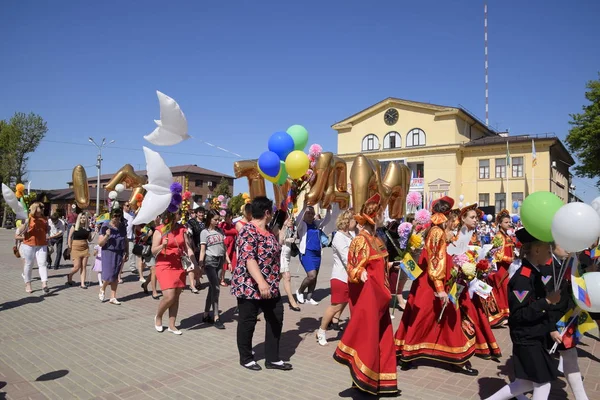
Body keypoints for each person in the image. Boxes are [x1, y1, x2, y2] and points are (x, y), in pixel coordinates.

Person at [395, 196, 478, 375]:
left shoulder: (437, 231)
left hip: (434, 282)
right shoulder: (436, 232)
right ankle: (411, 354)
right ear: (446, 215)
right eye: (452, 216)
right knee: (424, 317)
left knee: (429, 317)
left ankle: (411, 353)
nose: (454, 221)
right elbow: (435, 262)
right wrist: (440, 289)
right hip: (432, 284)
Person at [483, 227, 561, 400]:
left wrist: (551, 328)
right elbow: (519, 314)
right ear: (537, 249)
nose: (551, 254)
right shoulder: (523, 278)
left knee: (524, 383)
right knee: (542, 382)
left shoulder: (534, 272)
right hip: (526, 337)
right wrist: (547, 301)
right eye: (548, 250)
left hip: (534, 335)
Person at [333, 194, 398, 396]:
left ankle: (381, 381)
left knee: (382, 338)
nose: (383, 217)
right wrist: (360, 273)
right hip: (368, 298)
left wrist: (390, 265)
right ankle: (363, 381)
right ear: (373, 216)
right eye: (381, 213)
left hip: (381, 298)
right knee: (367, 338)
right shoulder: (360, 240)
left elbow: (376, 264)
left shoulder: (377, 238)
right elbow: (353, 268)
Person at [232, 196, 291, 371]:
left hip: (270, 285)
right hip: (250, 285)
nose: (272, 213)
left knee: (276, 317)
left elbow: (274, 249)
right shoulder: (248, 231)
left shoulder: (268, 231)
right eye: (271, 211)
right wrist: (261, 282)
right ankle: (246, 357)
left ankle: (272, 359)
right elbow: (249, 259)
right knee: (248, 321)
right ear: (266, 212)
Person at [152, 211, 198, 334]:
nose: (179, 215)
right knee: (169, 296)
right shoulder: (160, 230)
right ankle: (159, 316)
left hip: (178, 264)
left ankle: (172, 325)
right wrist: (162, 246)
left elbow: (188, 247)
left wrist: (195, 264)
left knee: (176, 296)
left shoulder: (182, 229)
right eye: (176, 213)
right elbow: (153, 250)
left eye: (179, 213)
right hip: (164, 264)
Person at [316, 209, 355, 346]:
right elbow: (346, 258)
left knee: (344, 303)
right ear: (346, 221)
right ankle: (321, 330)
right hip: (340, 277)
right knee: (335, 305)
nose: (355, 223)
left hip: (350, 277)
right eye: (353, 220)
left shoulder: (351, 234)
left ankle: (335, 322)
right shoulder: (338, 236)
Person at [199, 210, 231, 330]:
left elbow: (224, 247)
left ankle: (206, 314)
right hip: (210, 261)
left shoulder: (220, 231)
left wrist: (228, 260)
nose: (218, 222)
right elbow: (202, 249)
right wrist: (201, 264)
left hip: (220, 260)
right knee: (216, 288)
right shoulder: (204, 232)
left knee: (212, 289)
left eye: (219, 219)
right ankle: (216, 317)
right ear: (210, 219)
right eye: (215, 219)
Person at [295, 205, 331, 305]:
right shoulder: (301, 225)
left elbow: (326, 221)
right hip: (306, 253)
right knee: (311, 275)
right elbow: (298, 220)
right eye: (308, 213)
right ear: (304, 215)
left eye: (312, 213)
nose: (310, 215)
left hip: (317, 254)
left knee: (315, 277)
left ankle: (309, 297)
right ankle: (300, 291)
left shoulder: (316, 224)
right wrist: (303, 207)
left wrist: (328, 210)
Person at [486, 209, 513, 327]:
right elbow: (497, 254)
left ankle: (506, 315)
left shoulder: (506, 235)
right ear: (500, 223)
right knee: (502, 291)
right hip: (501, 268)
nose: (508, 224)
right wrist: (509, 259)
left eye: (509, 222)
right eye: (506, 222)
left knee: (505, 290)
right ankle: (502, 315)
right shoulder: (498, 236)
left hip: (507, 268)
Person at [16, 202, 50, 294]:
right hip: (29, 244)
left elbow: (46, 231)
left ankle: (44, 284)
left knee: (42, 263)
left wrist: (49, 242)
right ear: (35, 209)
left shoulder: (44, 218)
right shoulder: (28, 218)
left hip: (42, 244)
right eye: (41, 207)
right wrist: (26, 224)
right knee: (29, 264)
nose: (43, 209)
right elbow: (19, 232)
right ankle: (28, 283)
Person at [98, 208, 129, 305]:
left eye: (119, 216)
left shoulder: (122, 226)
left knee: (115, 275)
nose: (117, 218)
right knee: (108, 274)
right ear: (111, 216)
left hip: (119, 251)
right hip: (108, 251)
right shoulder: (105, 226)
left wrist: (127, 251)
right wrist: (107, 236)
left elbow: (125, 239)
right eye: (115, 216)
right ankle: (102, 288)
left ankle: (113, 297)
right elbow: (100, 243)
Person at [278, 216, 301, 312]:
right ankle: (292, 301)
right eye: (289, 220)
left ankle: (263, 296)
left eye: (292, 220)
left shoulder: (290, 229)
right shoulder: (280, 228)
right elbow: (280, 241)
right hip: (282, 255)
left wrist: (293, 238)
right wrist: (287, 240)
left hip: (287, 256)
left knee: (277, 278)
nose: (291, 221)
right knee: (287, 276)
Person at [66, 213, 95, 288]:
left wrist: (95, 233)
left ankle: (82, 283)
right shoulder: (74, 226)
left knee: (84, 266)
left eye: (84, 218)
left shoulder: (88, 228)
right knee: (77, 266)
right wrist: (69, 247)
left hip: (85, 248)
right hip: (75, 247)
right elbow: (69, 237)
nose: (83, 219)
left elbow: (89, 239)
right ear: (79, 218)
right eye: (81, 218)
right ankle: (70, 275)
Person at [186, 206, 205, 293]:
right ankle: (192, 284)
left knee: (200, 264)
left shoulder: (205, 222)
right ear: (196, 213)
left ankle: (197, 281)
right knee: (192, 265)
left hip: (203, 246)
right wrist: (193, 246)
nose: (201, 214)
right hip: (193, 245)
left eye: (202, 212)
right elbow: (189, 235)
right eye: (199, 212)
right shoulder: (191, 222)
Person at [219, 209, 237, 286]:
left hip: (233, 245)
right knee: (224, 262)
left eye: (229, 216)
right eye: (227, 217)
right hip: (225, 244)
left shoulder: (234, 225)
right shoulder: (222, 225)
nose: (228, 218)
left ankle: (235, 278)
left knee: (234, 262)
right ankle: (222, 279)